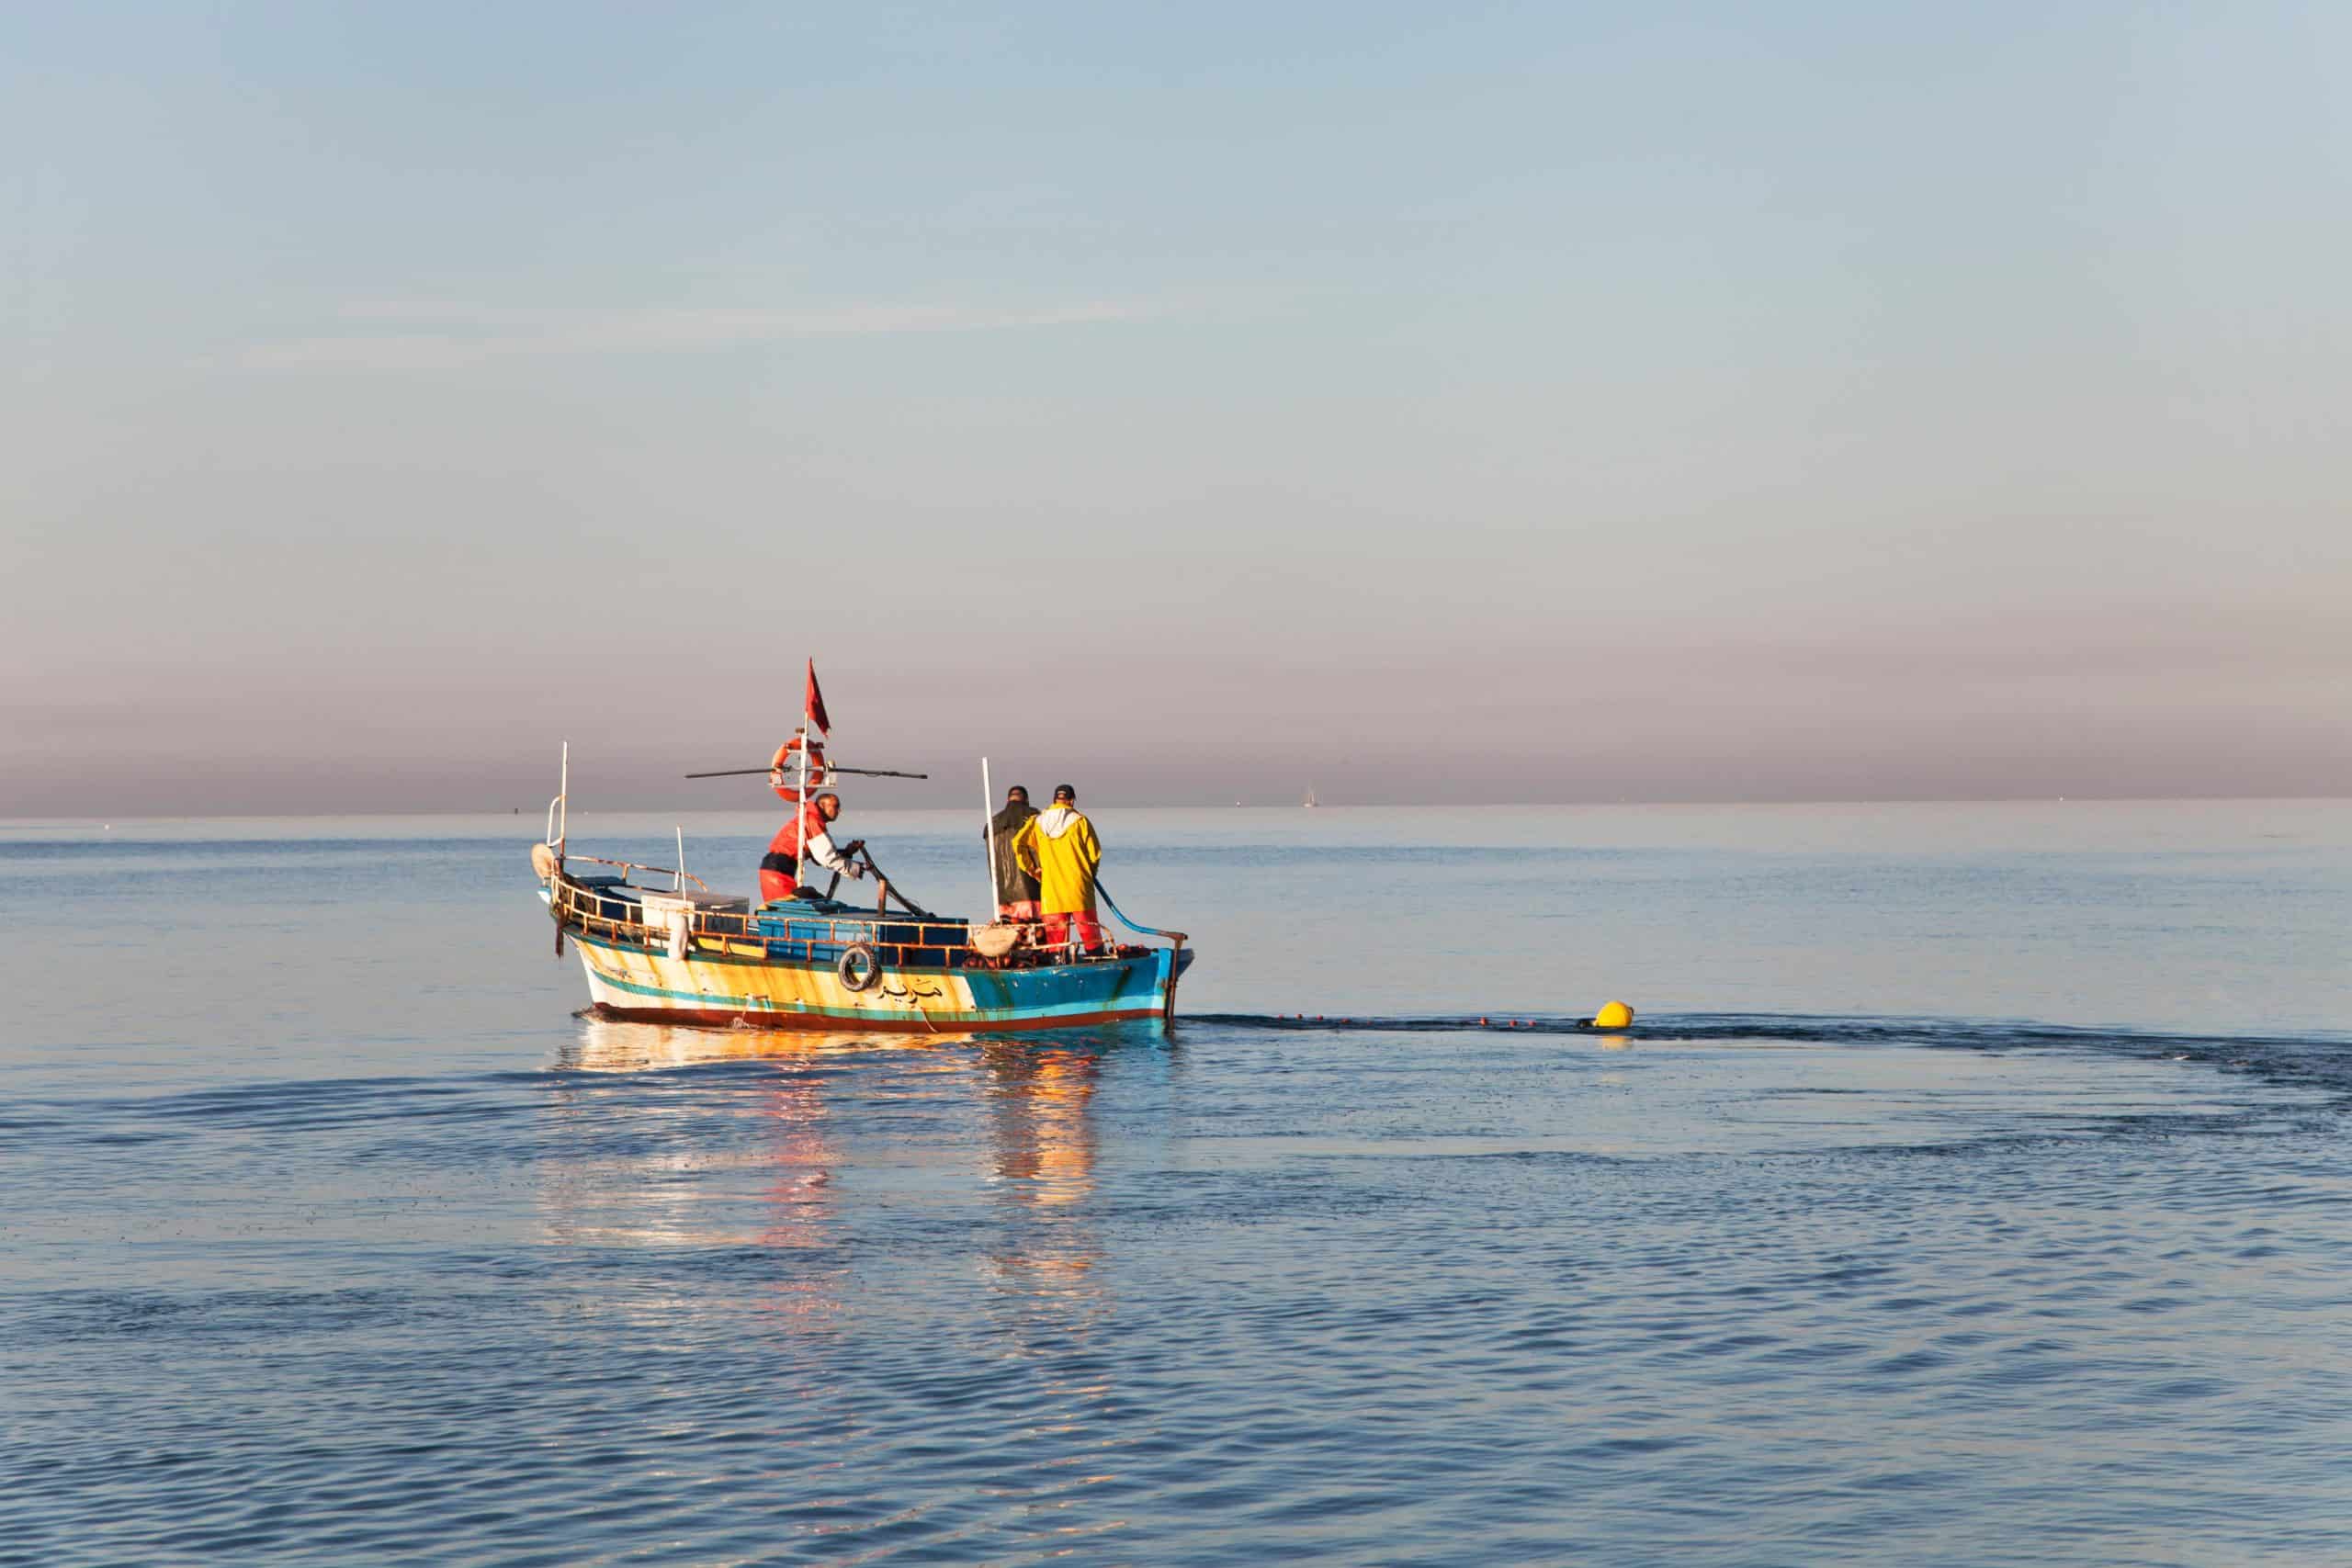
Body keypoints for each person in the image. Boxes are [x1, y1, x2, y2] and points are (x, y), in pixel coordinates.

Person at [759, 742, 865, 902]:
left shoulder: (809, 819)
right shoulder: (812, 820)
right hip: (777, 873)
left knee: (804, 902)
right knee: (798, 907)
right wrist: (858, 868)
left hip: (775, 870)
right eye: (835, 807)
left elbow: (818, 857)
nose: (839, 811)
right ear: (822, 806)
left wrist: (847, 853)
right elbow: (826, 858)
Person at [1012, 784, 1104, 953]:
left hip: (1052, 891)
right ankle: (1097, 960)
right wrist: (1089, 874)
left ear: (1055, 800)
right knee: (1091, 936)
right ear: (1071, 801)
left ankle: (1057, 964)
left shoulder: (1037, 822)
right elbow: (1095, 854)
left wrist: (1032, 869)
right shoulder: (1081, 821)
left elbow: (1017, 843)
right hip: (1079, 889)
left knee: (1055, 942)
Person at [986, 784, 1042, 922]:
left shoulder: (992, 823)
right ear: (1026, 800)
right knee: (1036, 931)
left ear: (1007, 800)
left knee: (1012, 929)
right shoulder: (1034, 817)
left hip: (1003, 895)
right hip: (1031, 891)